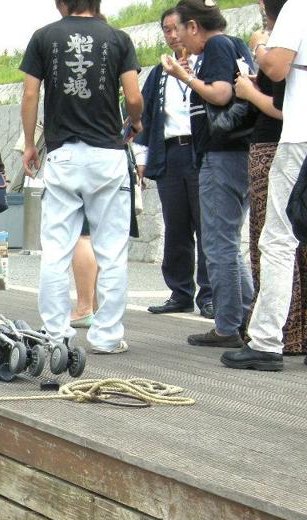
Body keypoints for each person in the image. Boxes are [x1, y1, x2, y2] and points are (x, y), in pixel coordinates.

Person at [21, 0, 143, 354]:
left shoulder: (43, 37)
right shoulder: (117, 38)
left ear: (61, 3)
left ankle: (56, 334)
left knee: (57, 250)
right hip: (108, 154)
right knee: (112, 251)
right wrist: (134, 122)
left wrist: (30, 144)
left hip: (63, 154)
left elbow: (30, 94)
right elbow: (133, 96)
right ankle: (106, 337)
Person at [163, 0, 255, 347]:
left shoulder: (216, 45)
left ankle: (228, 326)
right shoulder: (237, 45)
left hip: (221, 154)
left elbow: (221, 93)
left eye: (181, 29)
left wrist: (183, 75)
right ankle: (246, 314)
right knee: (229, 243)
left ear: (194, 27)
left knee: (219, 244)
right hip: (241, 153)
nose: (181, 38)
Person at [223, 0, 307, 370]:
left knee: (278, 238)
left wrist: (260, 45)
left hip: (300, 138)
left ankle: (267, 341)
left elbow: (275, 65)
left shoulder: (297, 7)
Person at [134, 8, 213, 318]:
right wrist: (143, 158)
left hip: (200, 151)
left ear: (189, 27)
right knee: (176, 226)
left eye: (175, 28)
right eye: (165, 30)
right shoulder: (158, 73)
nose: (171, 35)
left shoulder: (206, 65)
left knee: (206, 226)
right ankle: (180, 292)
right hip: (170, 153)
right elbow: (146, 118)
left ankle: (209, 294)